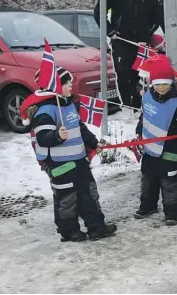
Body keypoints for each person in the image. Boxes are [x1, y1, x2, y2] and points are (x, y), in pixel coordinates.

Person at [30, 67, 117, 242]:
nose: (71, 85)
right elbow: (42, 137)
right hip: (60, 165)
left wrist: (93, 142)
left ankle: (96, 228)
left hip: (79, 161)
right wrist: (56, 136)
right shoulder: (45, 111)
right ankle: (69, 231)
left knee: (89, 194)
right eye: (67, 83)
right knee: (67, 199)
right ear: (54, 86)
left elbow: (80, 129)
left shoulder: (69, 105)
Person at [94, 0, 160, 109]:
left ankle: (138, 105)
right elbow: (99, 12)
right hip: (121, 40)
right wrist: (110, 30)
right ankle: (126, 105)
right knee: (123, 74)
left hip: (142, 42)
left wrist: (148, 33)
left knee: (141, 76)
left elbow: (156, 16)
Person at [134, 56, 177, 225]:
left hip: (170, 148)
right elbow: (144, 117)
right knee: (148, 177)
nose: (161, 87)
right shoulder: (147, 98)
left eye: (164, 83)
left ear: (171, 83)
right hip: (150, 147)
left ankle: (172, 211)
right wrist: (139, 131)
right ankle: (148, 205)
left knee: (169, 179)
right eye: (157, 84)